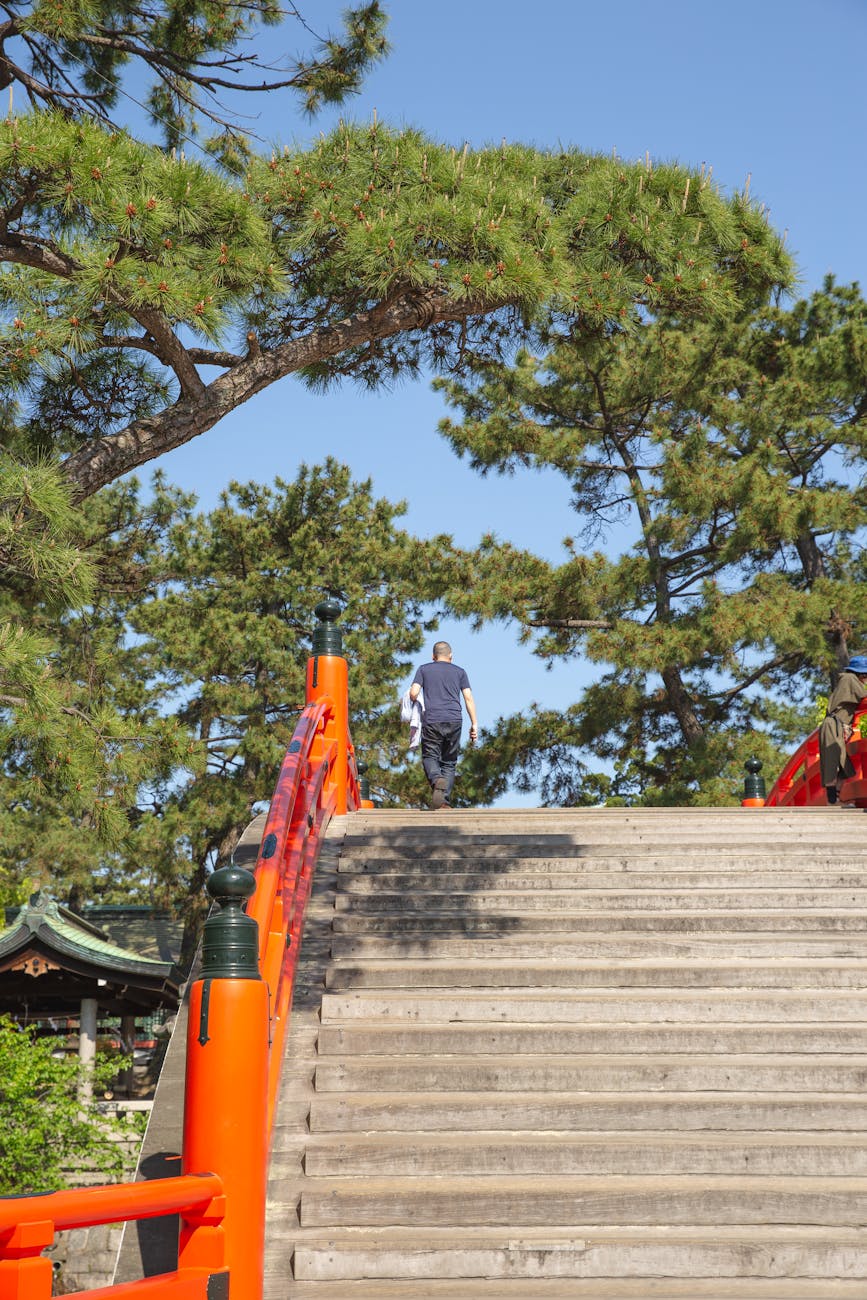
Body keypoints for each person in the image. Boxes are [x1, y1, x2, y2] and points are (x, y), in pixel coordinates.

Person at [409, 641, 478, 808]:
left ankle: (436, 778)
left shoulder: (424, 669)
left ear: (433, 656)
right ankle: (444, 802)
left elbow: (414, 692)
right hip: (454, 720)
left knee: (430, 756)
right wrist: (474, 724)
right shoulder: (460, 672)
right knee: (449, 762)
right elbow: (468, 698)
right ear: (451, 656)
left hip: (432, 719)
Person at [819, 654, 867, 804]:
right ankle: (832, 801)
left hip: (836, 726)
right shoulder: (850, 679)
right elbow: (864, 697)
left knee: (844, 766)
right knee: (833, 763)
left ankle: (835, 799)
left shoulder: (847, 680)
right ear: (861, 673)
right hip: (833, 726)